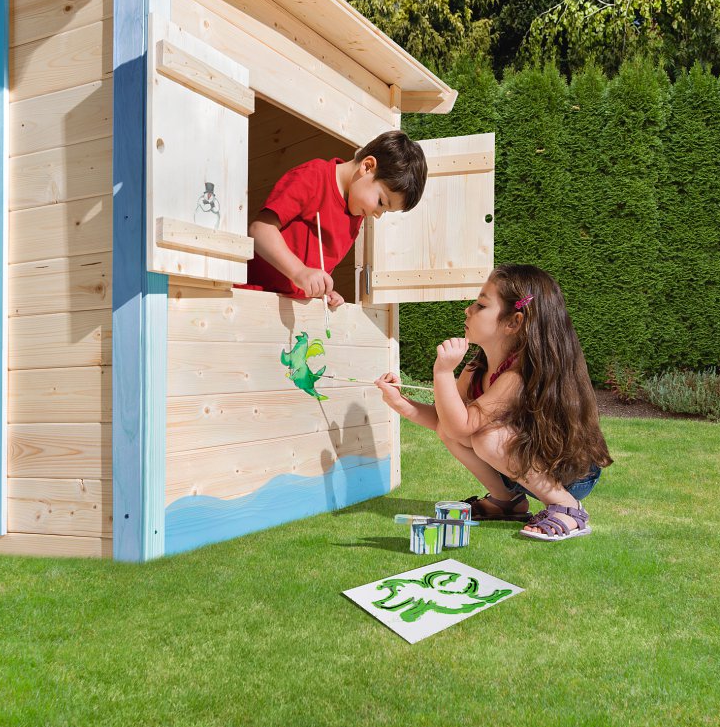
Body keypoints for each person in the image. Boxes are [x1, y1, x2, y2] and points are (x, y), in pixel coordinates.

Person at [376, 264, 613, 541]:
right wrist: (402, 403)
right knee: (453, 431)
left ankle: (569, 509)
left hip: (569, 472)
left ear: (514, 322)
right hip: (526, 467)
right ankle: (508, 502)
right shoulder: (477, 368)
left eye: (480, 305)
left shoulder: (518, 376)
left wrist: (441, 372)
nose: (468, 310)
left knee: (486, 437)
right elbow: (448, 424)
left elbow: (464, 426)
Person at [242, 130, 428, 306]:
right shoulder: (314, 177)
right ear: (367, 166)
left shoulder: (356, 212)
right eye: (381, 202)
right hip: (251, 296)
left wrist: (323, 289)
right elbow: (260, 230)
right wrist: (299, 272)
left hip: (290, 310)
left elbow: (315, 267)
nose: (378, 215)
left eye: (386, 211)